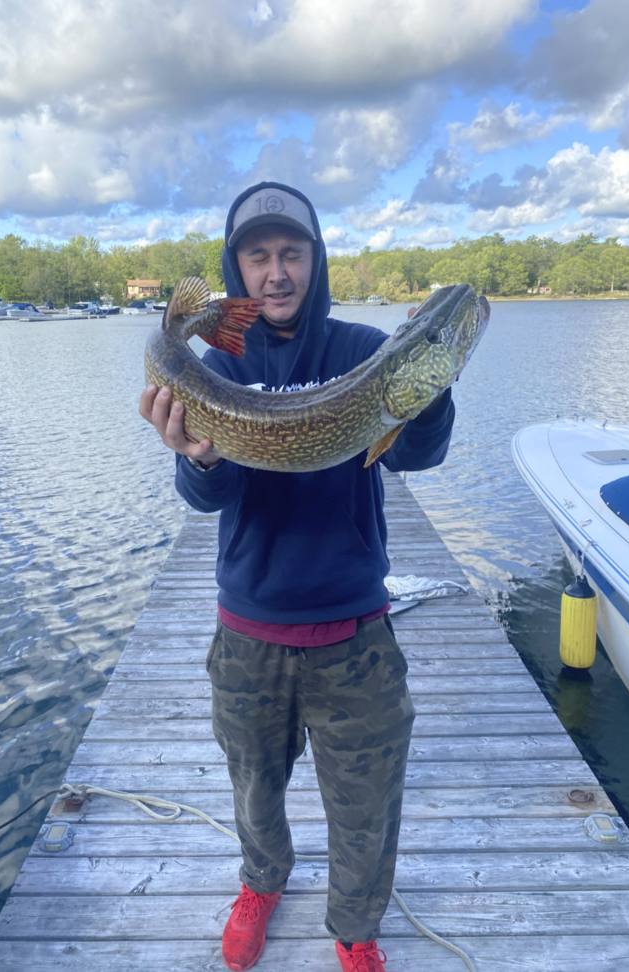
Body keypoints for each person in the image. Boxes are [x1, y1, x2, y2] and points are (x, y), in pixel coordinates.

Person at [139, 182, 455, 972]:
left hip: (356, 633)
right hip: (250, 633)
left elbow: (418, 453)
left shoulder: (363, 350)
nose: (276, 272)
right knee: (254, 790)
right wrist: (198, 456)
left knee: (366, 807)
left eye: (291, 253)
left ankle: (355, 928)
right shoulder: (217, 362)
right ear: (237, 271)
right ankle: (262, 883)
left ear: (316, 261)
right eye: (258, 257)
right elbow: (206, 496)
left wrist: (432, 391)